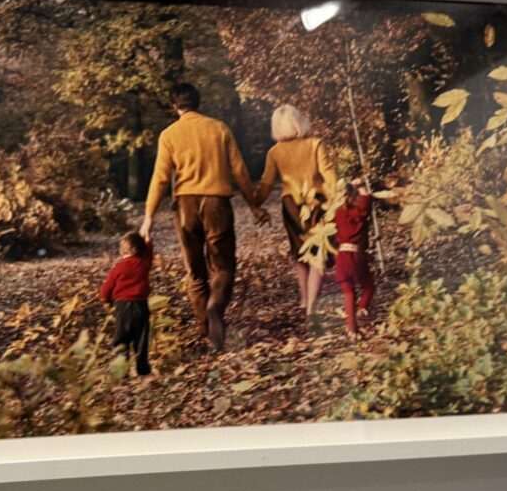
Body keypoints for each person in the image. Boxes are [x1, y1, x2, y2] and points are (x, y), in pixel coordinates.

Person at [140, 83, 267, 352]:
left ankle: (205, 328)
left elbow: (160, 178)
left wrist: (149, 216)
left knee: (195, 271)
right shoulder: (219, 128)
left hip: (185, 206)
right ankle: (215, 307)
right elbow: (239, 171)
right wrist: (253, 205)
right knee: (223, 266)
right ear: (198, 102)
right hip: (217, 203)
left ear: (175, 106)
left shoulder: (169, 134)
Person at [254, 104, 338, 317]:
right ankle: (311, 307)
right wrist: (336, 197)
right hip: (316, 202)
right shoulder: (315, 144)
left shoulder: (275, 152)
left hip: (290, 205)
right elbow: (328, 174)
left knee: (299, 254)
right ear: (299, 121)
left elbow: (266, 184)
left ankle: (303, 299)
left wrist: (255, 203)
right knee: (318, 254)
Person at [100, 231, 154, 375]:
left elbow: (107, 287)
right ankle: (142, 368)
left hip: (123, 306)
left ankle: (122, 368)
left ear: (121, 251)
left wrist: (106, 300)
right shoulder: (143, 264)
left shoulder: (118, 268)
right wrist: (148, 240)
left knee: (122, 337)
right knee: (141, 338)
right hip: (141, 306)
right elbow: (149, 255)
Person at [334, 178, 375, 337]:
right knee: (368, 285)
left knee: (349, 292)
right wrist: (362, 186)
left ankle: (351, 329)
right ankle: (362, 308)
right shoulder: (356, 214)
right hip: (356, 255)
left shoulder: (337, 214)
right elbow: (365, 205)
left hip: (342, 256)